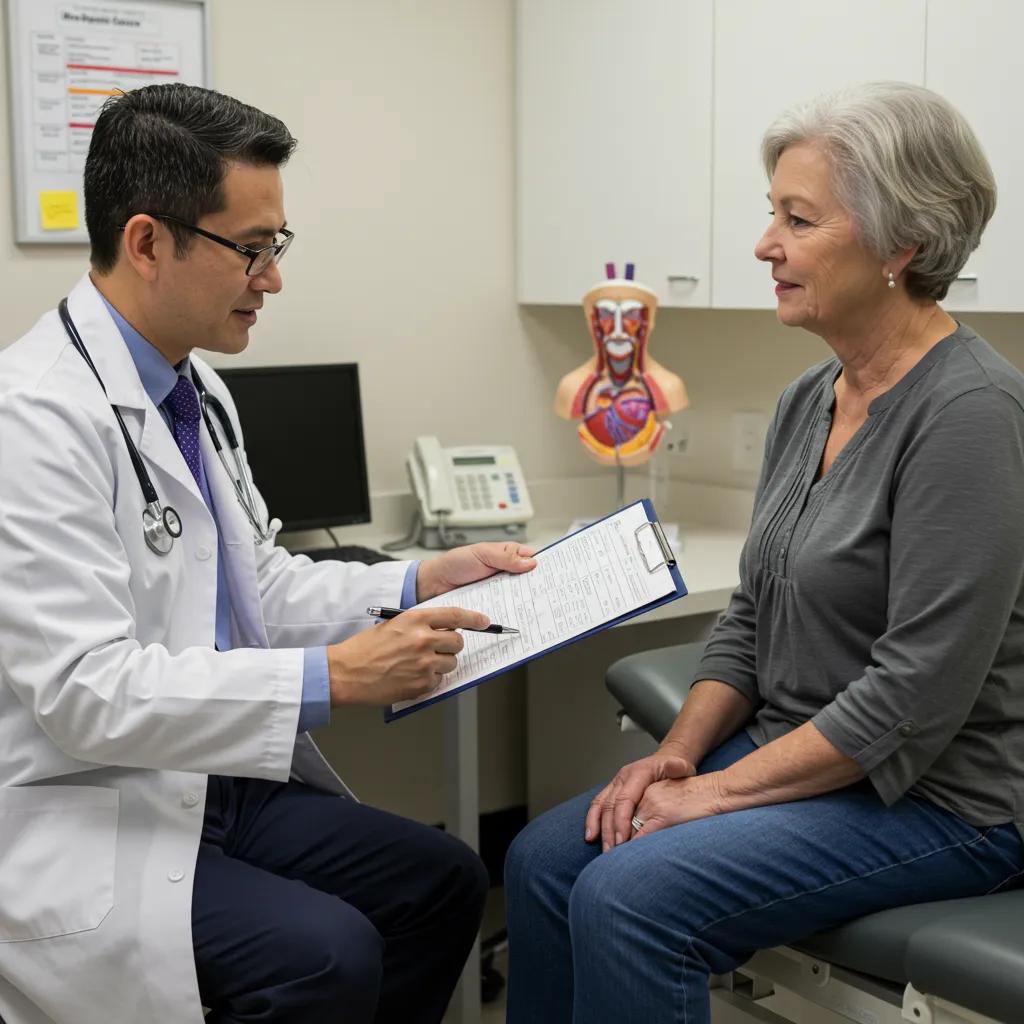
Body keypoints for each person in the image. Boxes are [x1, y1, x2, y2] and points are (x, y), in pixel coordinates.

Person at [0, 83, 536, 1024]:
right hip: (87, 807)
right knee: (326, 956)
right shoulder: (33, 419)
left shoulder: (194, 387)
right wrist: (329, 678)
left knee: (444, 880)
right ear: (147, 242)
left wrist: (415, 580)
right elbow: (86, 690)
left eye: (275, 247)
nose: (273, 278)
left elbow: (257, 585)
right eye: (250, 250)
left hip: (209, 783)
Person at [504, 81, 1024, 1023]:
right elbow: (751, 615)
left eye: (798, 218)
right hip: (802, 753)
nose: (764, 244)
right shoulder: (810, 399)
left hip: (943, 799)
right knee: (543, 861)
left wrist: (713, 798)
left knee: (631, 899)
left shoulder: (972, 418)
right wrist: (676, 758)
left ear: (901, 242)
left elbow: (914, 699)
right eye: (769, 213)